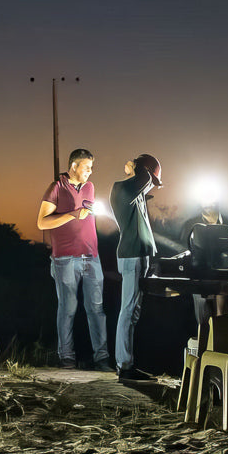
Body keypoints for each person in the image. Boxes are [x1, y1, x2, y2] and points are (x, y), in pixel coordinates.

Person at [37, 148, 113, 371]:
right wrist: (71, 214)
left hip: (92, 257)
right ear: (74, 166)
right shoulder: (56, 188)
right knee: (68, 309)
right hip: (65, 259)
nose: (90, 171)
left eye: (91, 167)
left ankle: (102, 359)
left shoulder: (90, 187)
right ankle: (67, 359)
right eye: (87, 167)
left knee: (97, 310)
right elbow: (42, 222)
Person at [110, 154, 163, 382]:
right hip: (132, 256)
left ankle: (128, 363)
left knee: (134, 312)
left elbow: (145, 180)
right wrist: (138, 165)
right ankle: (124, 365)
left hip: (140, 256)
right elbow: (144, 177)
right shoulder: (122, 189)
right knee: (128, 310)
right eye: (151, 179)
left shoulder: (137, 194)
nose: (152, 185)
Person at [180, 200, 228, 320]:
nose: (208, 205)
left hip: (224, 277)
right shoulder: (192, 224)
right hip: (200, 276)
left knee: (223, 316)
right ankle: (204, 335)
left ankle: (221, 335)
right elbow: (183, 248)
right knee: (204, 318)